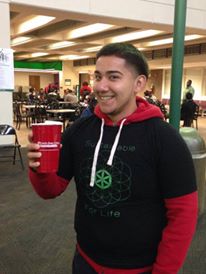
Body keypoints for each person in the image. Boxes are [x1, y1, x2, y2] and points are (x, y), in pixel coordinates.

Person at [27, 43, 198, 274]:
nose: (101, 86)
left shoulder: (164, 139)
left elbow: (183, 214)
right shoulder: (80, 130)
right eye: (98, 76)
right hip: (86, 260)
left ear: (139, 83)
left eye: (113, 77)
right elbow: (51, 190)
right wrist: (40, 168)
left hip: (140, 267)